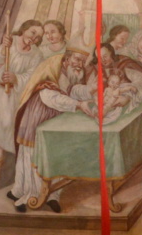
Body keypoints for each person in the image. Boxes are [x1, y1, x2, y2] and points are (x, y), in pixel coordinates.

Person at [11, 49, 95, 212]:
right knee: (35, 159)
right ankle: (30, 195)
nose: (80, 65)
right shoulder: (51, 73)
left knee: (56, 158)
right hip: (37, 123)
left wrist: (91, 90)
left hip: (54, 126)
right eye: (77, 59)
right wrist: (78, 104)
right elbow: (53, 98)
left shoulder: (66, 74)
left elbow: (72, 90)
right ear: (66, 59)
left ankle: (52, 195)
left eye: (82, 61)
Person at [0, 20, 45, 191]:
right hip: (1, 95)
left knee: (12, 132)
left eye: (38, 37)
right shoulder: (11, 41)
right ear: (24, 29)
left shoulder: (36, 54)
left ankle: (15, 174)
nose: (34, 38)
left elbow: (33, 76)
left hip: (18, 97)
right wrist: (4, 48)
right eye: (32, 32)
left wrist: (16, 78)